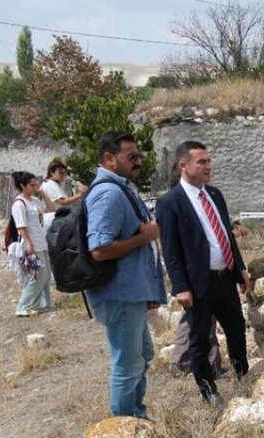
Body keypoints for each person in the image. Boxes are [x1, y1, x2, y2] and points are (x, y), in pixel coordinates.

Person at [157, 140, 250, 403]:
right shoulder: (170, 202)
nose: (209, 166)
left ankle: (244, 378)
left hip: (225, 278)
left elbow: (227, 237)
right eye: (202, 162)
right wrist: (180, 287)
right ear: (183, 165)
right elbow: (171, 250)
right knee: (200, 340)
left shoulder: (215, 195)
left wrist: (240, 268)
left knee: (236, 329)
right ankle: (208, 392)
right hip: (198, 284)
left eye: (209, 161)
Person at [86, 131, 166, 418]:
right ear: (109, 159)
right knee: (128, 364)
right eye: (131, 156)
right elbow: (99, 248)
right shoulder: (108, 193)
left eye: (139, 155)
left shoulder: (121, 188)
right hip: (119, 293)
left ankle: (137, 416)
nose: (138, 161)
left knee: (142, 356)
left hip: (131, 292)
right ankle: (123, 430)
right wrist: (144, 237)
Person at [9, 171, 55, 317]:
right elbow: (21, 226)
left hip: (41, 242)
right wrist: (29, 244)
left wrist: (43, 194)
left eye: (36, 184)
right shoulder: (19, 203)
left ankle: (44, 304)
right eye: (32, 185)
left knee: (46, 275)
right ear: (23, 186)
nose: (35, 187)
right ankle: (24, 305)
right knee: (37, 276)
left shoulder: (34, 201)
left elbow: (51, 209)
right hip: (31, 244)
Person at [41, 159, 86, 229]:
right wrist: (79, 195)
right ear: (52, 172)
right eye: (60, 173)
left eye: (64, 173)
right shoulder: (49, 185)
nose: (63, 175)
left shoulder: (55, 184)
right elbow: (62, 202)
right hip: (53, 220)